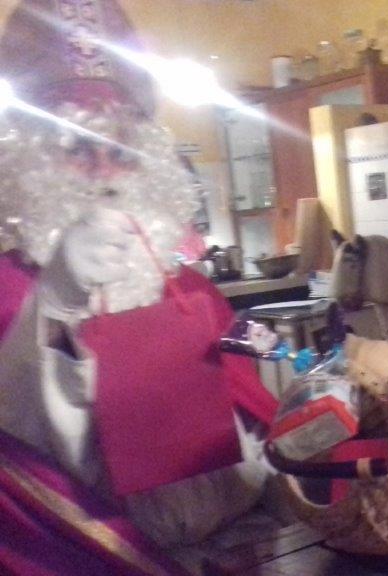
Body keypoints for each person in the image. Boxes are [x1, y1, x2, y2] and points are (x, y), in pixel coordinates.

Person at [0, 0, 278, 571]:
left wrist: (293, 433)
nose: (104, 169)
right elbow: (27, 465)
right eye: (77, 147)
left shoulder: (190, 290)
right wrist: (58, 299)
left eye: (120, 148)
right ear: (31, 157)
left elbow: (251, 430)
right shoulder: (9, 290)